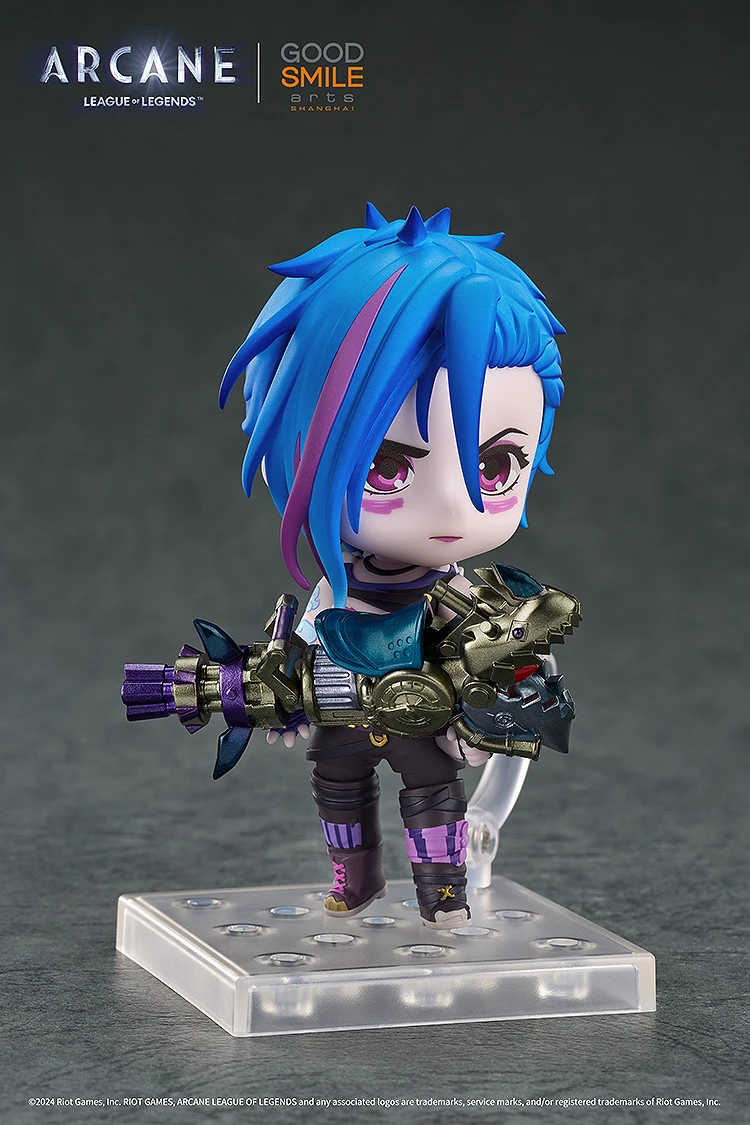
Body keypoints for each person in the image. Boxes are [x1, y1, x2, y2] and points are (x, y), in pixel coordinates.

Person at [219, 203, 565, 928]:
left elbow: (526, 708)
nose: (454, 506)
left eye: (495, 466)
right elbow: (300, 650)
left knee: (436, 804)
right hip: (343, 718)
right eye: (386, 466)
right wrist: (281, 691)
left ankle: (445, 895)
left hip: (429, 730)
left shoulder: (472, 603)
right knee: (337, 792)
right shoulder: (333, 596)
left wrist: (491, 796)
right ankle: (355, 883)